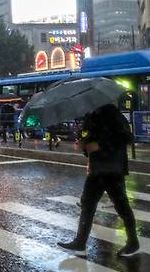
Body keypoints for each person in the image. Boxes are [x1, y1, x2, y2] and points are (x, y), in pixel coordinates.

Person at [57, 103, 140, 257]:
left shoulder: (111, 113)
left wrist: (100, 145)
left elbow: (126, 137)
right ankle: (80, 243)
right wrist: (84, 145)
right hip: (97, 168)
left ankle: (133, 243)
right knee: (87, 204)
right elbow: (90, 142)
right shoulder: (91, 116)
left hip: (112, 168)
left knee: (121, 205)